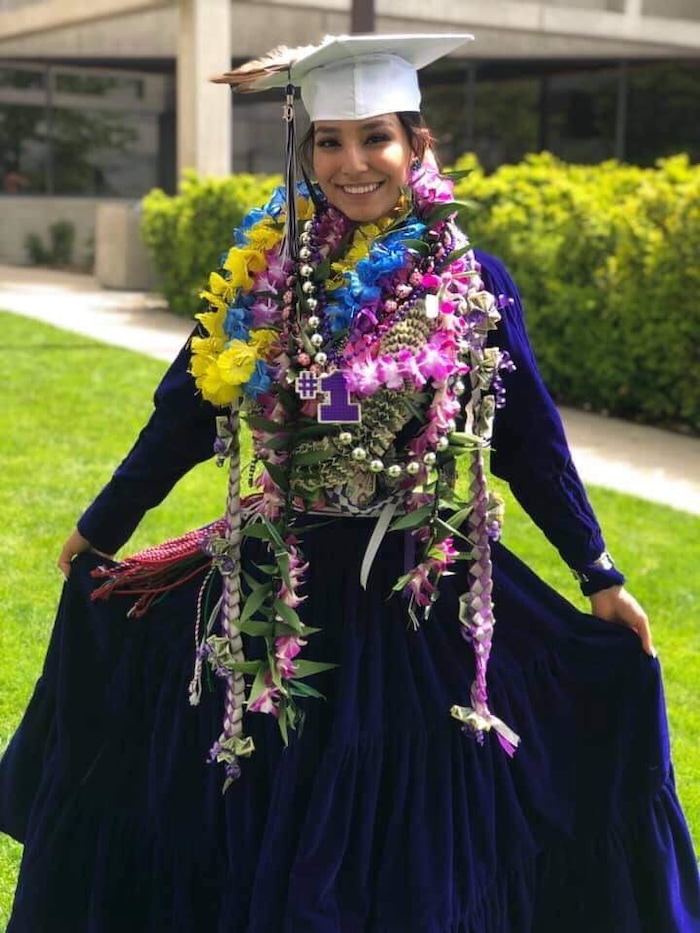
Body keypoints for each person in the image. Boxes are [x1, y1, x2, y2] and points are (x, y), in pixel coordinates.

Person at [1, 33, 699, 933]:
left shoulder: (469, 285)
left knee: (409, 809)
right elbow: (186, 411)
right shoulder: (267, 276)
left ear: (417, 144)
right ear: (307, 152)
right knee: (243, 777)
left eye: (376, 137)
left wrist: (597, 571)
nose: (352, 162)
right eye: (329, 141)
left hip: (411, 592)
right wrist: (104, 525)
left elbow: (530, 439)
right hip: (276, 576)